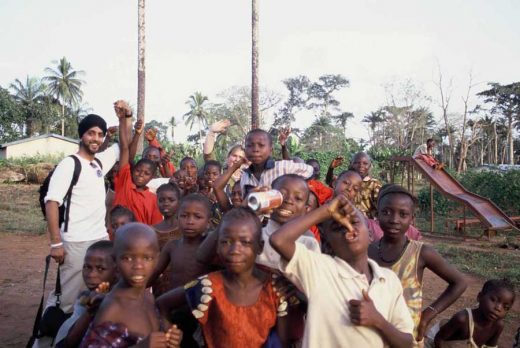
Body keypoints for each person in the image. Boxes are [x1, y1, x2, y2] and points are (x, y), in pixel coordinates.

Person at [270, 194, 415, 348]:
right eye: (337, 228)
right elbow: (278, 240)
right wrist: (326, 211)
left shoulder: (389, 280)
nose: (347, 228)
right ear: (328, 244)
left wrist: (378, 321)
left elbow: (406, 342)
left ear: (370, 235)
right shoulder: (318, 268)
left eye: (354, 222)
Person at [156, 207, 289, 348]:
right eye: (226, 242)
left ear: (260, 246)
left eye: (245, 242)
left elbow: (283, 342)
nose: (235, 251)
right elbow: (162, 303)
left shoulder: (274, 288)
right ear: (217, 246)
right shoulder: (208, 286)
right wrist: (170, 333)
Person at [42, 111, 121, 329]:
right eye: (91, 133)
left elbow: (124, 145)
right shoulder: (70, 164)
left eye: (100, 134)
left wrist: (124, 121)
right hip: (75, 243)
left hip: (99, 240)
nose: (96, 138)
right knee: (68, 300)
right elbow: (52, 202)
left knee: (97, 295)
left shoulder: (98, 165)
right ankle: (48, 338)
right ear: (82, 135)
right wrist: (56, 242)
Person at [368, 184, 467, 344]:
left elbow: (460, 282)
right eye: (386, 212)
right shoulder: (367, 251)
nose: (394, 220)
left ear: (412, 218)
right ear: (376, 214)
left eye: (403, 214)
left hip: (407, 336)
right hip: (372, 335)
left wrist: (428, 315)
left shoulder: (420, 252)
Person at [80, 223, 183, 347]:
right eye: (127, 258)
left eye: (147, 258)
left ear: (157, 259)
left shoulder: (148, 297)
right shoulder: (113, 309)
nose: (138, 266)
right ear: (115, 261)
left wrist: (169, 339)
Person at [148, 194, 212, 347]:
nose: (189, 221)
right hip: (173, 311)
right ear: (177, 219)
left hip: (201, 313)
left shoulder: (210, 249)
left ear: (208, 223)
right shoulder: (172, 246)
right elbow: (154, 273)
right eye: (184, 216)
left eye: (197, 217)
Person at [55, 241, 117, 348]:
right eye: (87, 267)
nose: (91, 275)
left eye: (100, 269)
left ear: (118, 271)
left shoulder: (116, 306)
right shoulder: (86, 297)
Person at [111, 101, 163, 225]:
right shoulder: (125, 183)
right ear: (132, 170)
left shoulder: (153, 199)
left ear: (152, 177)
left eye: (146, 173)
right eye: (138, 171)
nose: (140, 175)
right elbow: (124, 148)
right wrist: (123, 119)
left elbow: (155, 228)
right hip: (117, 242)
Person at [426, 278, 516, 348]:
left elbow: (490, 346)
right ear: (480, 297)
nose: (498, 308)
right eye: (493, 300)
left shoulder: (498, 325)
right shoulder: (462, 319)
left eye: (506, 307)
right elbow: (439, 339)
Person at [240, 129, 314, 196]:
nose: (255, 149)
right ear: (245, 150)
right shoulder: (244, 176)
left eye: (261, 145)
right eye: (249, 145)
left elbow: (310, 171)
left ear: (271, 150)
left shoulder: (283, 167)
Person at [151, 183, 182, 297]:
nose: (166, 203)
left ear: (179, 202)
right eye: (161, 200)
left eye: (171, 200)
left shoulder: (185, 228)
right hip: (160, 283)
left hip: (182, 281)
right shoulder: (152, 231)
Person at [350, 152, 382, 219]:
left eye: (365, 163)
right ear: (351, 165)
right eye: (356, 163)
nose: (361, 166)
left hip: (368, 224)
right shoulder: (347, 183)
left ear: (369, 166)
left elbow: (381, 207)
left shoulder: (374, 184)